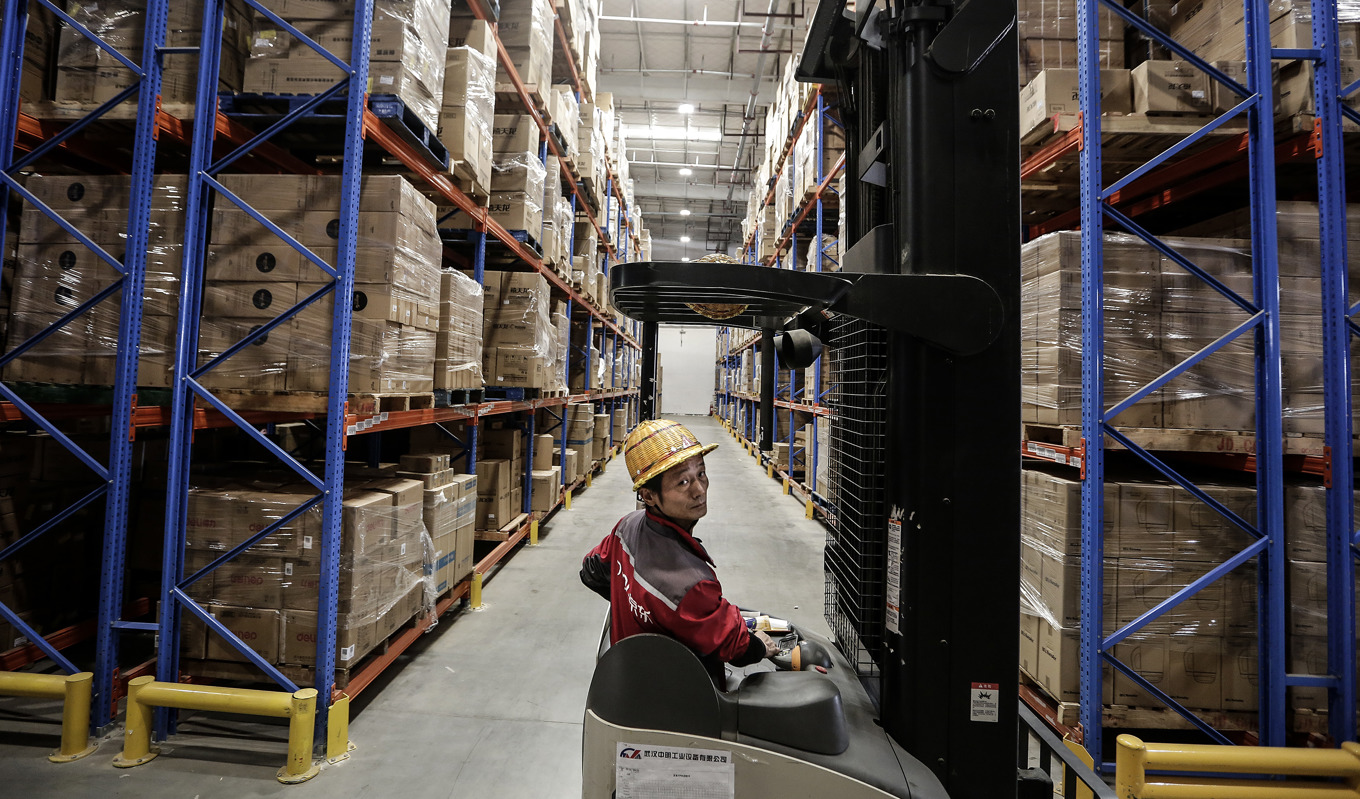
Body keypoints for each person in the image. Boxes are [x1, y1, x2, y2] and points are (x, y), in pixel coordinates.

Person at [580, 418, 780, 689]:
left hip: (633, 674)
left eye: (701, 474)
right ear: (649, 496)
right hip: (676, 693)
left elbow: (591, 571)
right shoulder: (688, 585)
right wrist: (760, 646)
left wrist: (638, 606)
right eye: (683, 482)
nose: (699, 490)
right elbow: (736, 648)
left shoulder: (626, 526)